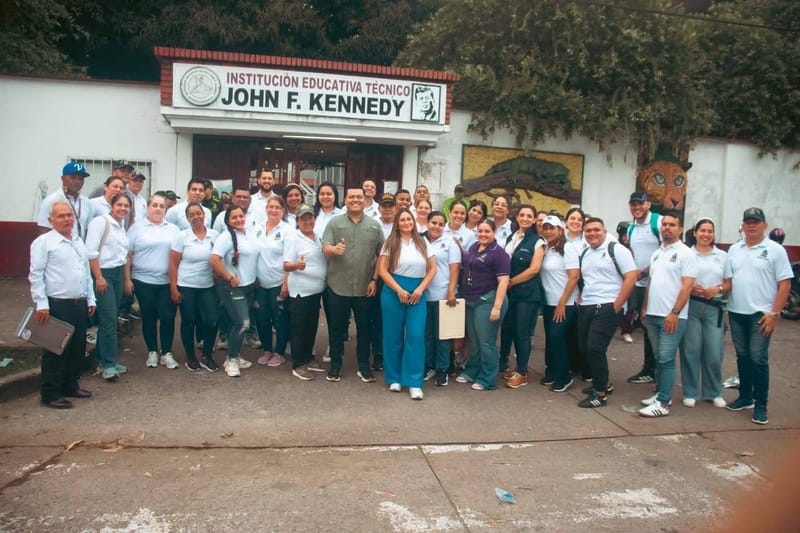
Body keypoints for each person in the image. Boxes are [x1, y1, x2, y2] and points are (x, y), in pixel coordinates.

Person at [724, 207, 793, 425]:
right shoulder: (734, 249)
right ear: (742, 225)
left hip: (761, 315)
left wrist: (775, 313)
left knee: (758, 358)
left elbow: (784, 284)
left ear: (764, 225)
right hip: (736, 311)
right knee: (742, 356)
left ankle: (761, 403)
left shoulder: (775, 250)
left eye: (756, 222)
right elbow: (729, 281)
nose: (751, 225)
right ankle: (745, 396)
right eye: (748, 222)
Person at [29, 201, 96, 408]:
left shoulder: (77, 240)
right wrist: (41, 303)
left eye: (69, 215)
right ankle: (50, 393)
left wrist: (91, 298)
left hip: (80, 303)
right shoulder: (43, 242)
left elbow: (86, 273)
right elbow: (36, 274)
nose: (66, 219)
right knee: (56, 350)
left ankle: (70, 385)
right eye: (61, 216)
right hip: (56, 305)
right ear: (51, 220)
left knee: (77, 348)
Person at [570, 217, 638, 408]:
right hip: (587, 306)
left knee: (595, 347)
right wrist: (582, 296)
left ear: (604, 230)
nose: (592, 233)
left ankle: (599, 393)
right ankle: (605, 383)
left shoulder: (616, 249)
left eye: (596, 230)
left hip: (608, 306)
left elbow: (631, 277)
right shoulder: (585, 253)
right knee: (584, 347)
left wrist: (617, 305)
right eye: (588, 230)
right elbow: (588, 278)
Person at [321, 186, 384, 383]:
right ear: (346, 200)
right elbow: (325, 248)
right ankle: (335, 366)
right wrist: (334, 249)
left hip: (366, 286)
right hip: (338, 285)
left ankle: (364, 366)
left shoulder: (374, 225)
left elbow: (382, 256)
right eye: (351, 197)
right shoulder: (334, 223)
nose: (355, 200)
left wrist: (374, 279)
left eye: (359, 197)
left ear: (365, 200)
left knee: (364, 328)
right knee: (337, 328)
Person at [637, 211, 697, 418]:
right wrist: (644, 307)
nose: (667, 228)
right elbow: (651, 283)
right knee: (658, 357)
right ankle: (662, 394)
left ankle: (662, 403)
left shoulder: (686, 253)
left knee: (666, 358)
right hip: (652, 314)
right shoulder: (657, 253)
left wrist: (675, 312)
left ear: (680, 228)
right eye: (664, 224)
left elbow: (688, 286)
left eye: (672, 225)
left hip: (672, 316)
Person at [378, 208, 436, 399]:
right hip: (394, 291)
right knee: (392, 336)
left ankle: (414, 381)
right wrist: (398, 290)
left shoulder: (423, 242)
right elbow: (383, 271)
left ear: (413, 222)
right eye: (402, 220)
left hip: (417, 293)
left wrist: (420, 289)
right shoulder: (390, 243)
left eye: (408, 219)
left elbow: (432, 269)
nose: (406, 222)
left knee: (416, 335)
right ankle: (393, 377)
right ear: (397, 223)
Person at [125, 194, 181, 369]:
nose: (158, 209)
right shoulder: (136, 229)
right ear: (147, 208)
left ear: (166, 209)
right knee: (149, 317)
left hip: (167, 282)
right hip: (143, 281)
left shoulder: (173, 229)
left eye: (161, 206)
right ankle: (152, 352)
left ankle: (166, 352)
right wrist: (127, 279)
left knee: (167, 317)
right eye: (154, 205)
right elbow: (128, 255)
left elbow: (180, 255)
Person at [455, 220, 510, 390]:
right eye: (480, 231)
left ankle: (488, 378)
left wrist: (497, 307)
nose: (483, 234)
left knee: (487, 342)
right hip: (471, 300)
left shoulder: (499, 254)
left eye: (487, 231)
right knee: (474, 340)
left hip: (488, 301)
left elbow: (503, 281)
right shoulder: (474, 247)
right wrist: (460, 248)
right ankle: (472, 370)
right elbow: (471, 263)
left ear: (494, 233)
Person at [679, 217, 728, 408]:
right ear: (695, 233)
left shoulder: (722, 256)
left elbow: (729, 282)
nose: (706, 234)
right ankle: (690, 392)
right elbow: (678, 279)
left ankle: (713, 392)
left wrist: (717, 289)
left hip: (714, 308)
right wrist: (690, 288)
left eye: (710, 231)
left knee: (714, 352)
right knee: (690, 350)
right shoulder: (687, 254)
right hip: (691, 306)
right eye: (702, 231)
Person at [169, 202, 220, 372]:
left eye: (198, 213)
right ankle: (190, 357)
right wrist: (174, 288)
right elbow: (173, 264)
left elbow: (219, 259)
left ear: (204, 214)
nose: (196, 217)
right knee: (189, 321)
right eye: (192, 215)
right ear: (188, 218)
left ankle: (207, 355)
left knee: (212, 320)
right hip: (187, 285)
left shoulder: (214, 235)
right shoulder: (181, 237)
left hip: (207, 285)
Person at [85, 193, 131, 381]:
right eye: (119, 204)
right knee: (109, 319)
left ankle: (103, 359)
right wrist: (98, 277)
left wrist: (126, 279)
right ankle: (109, 365)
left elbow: (124, 254)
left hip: (118, 273)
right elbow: (91, 252)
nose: (122, 208)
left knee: (110, 318)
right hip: (103, 274)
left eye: (126, 206)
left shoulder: (121, 226)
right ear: (112, 205)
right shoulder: (100, 222)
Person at [210, 206, 260, 377]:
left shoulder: (249, 233)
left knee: (236, 323)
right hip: (233, 287)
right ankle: (231, 360)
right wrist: (229, 277)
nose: (239, 219)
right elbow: (214, 260)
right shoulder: (225, 237)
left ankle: (236, 355)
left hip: (249, 285)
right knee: (243, 323)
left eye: (241, 216)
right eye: (234, 217)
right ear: (228, 221)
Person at [499, 205, 545, 389]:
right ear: (517, 217)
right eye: (522, 215)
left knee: (522, 333)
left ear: (534, 220)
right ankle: (509, 366)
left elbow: (534, 269)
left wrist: (511, 281)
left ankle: (523, 372)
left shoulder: (538, 241)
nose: (525, 218)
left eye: (529, 216)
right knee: (508, 329)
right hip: (510, 293)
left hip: (527, 294)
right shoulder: (511, 237)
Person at [283, 204, 328, 380]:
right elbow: (286, 264)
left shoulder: (318, 237)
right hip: (300, 291)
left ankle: (308, 358)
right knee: (299, 328)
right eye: (303, 218)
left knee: (312, 326)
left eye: (310, 217)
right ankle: (298, 363)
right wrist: (297, 265)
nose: (307, 221)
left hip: (316, 290)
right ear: (297, 221)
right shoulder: (293, 237)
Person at [540, 214, 580, 392]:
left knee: (557, 337)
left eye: (552, 228)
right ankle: (553, 371)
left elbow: (574, 276)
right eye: (545, 228)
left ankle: (564, 375)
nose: (548, 231)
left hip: (565, 303)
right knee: (551, 338)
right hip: (548, 302)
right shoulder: (546, 248)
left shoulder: (568, 248)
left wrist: (563, 302)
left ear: (560, 230)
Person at [626, 191, 662, 385]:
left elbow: (666, 251)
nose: (637, 207)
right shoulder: (631, 227)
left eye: (640, 204)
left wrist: (646, 271)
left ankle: (658, 369)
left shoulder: (659, 222)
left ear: (648, 204)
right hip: (639, 284)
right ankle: (649, 369)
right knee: (646, 325)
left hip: (657, 284)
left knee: (656, 327)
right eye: (633, 204)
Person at [423, 210, 461, 387]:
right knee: (427, 335)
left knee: (443, 336)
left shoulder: (450, 243)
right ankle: (429, 366)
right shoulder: (420, 240)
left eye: (440, 224)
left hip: (443, 295)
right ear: (427, 223)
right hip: (423, 294)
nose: (436, 227)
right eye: (433, 223)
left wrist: (451, 291)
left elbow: (454, 269)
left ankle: (442, 369)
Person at [253, 196, 291, 367]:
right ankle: (267, 349)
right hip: (260, 283)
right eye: (271, 207)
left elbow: (290, 258)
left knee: (280, 318)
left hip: (278, 281)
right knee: (262, 317)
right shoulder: (257, 228)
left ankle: (279, 352)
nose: (274, 210)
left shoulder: (288, 230)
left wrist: (286, 282)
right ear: (266, 208)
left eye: (278, 207)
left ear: (283, 211)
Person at [37, 162, 94, 241]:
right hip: (58, 250)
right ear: (63, 179)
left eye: (81, 178)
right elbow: (44, 231)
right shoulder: (50, 201)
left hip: (80, 249)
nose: (77, 181)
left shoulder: (87, 203)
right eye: (73, 177)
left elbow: (89, 231)